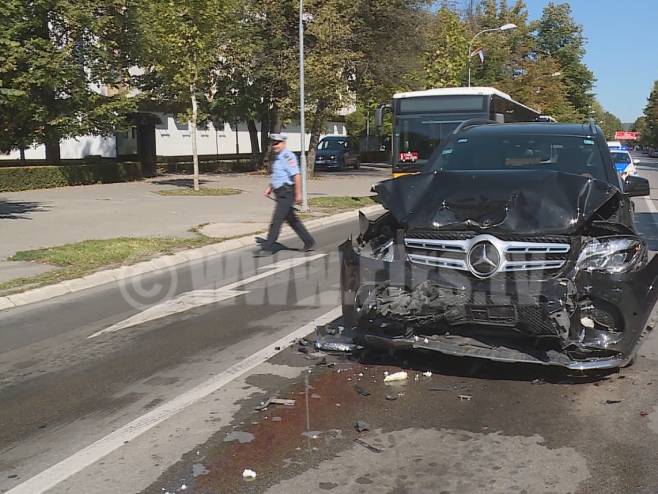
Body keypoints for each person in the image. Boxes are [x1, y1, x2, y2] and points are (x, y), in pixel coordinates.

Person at [258, 134, 315, 254]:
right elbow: (278, 176)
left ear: (283, 143)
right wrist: (270, 187)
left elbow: (297, 175)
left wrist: (299, 194)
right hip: (280, 192)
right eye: (273, 143)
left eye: (277, 143)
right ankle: (308, 241)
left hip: (287, 192)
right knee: (292, 220)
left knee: (277, 219)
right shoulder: (277, 157)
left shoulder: (288, 156)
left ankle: (268, 246)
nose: (275, 146)